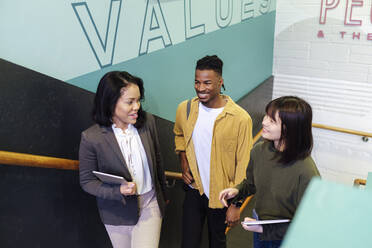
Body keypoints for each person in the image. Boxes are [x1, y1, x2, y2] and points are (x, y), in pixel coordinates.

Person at [79, 71, 168, 248]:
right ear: (110, 103)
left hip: (150, 204)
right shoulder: (92, 137)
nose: (137, 107)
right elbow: (87, 181)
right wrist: (118, 190)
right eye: (130, 102)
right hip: (115, 212)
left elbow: (157, 159)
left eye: (138, 100)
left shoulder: (147, 122)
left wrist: (163, 194)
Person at [219, 96, 320, 248]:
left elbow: (308, 223)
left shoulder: (307, 172)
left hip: (285, 236)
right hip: (259, 221)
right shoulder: (259, 150)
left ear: (290, 128)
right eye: (266, 115)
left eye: (272, 121)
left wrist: (264, 229)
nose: (264, 122)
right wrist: (237, 191)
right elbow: (251, 183)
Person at [174, 55, 253, 248]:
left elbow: (244, 165)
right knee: (188, 243)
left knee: (217, 243)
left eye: (207, 83)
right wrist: (184, 161)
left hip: (222, 195)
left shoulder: (241, 118)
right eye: (197, 82)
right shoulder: (185, 109)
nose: (201, 88)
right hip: (195, 190)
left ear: (220, 82)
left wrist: (236, 205)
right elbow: (179, 135)